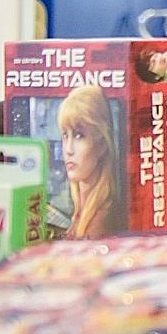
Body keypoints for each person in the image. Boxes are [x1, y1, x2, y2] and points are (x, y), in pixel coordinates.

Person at [57, 85, 122, 238]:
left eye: (79, 135)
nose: (68, 149)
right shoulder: (79, 211)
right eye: (65, 135)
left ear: (102, 145)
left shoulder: (101, 222)